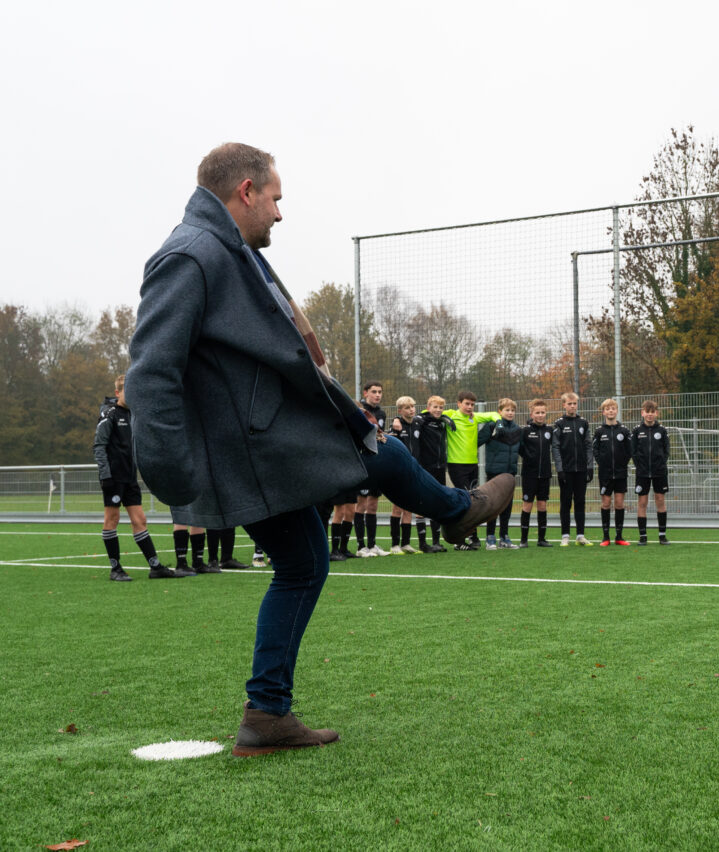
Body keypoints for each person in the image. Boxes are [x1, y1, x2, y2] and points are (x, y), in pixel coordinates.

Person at [126, 142, 512, 756]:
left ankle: (267, 715)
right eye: (275, 199)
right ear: (246, 191)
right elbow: (151, 370)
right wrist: (168, 463)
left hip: (260, 434)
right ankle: (455, 512)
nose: (280, 214)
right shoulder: (191, 255)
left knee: (306, 562)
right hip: (254, 445)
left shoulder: (225, 251)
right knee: (366, 443)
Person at [94, 376, 186, 580]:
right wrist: (105, 475)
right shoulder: (108, 414)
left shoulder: (134, 415)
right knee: (112, 519)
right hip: (113, 477)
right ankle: (115, 568)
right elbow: (99, 446)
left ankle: (155, 567)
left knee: (140, 519)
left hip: (129, 477)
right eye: (127, 390)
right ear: (118, 393)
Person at [442, 391, 502, 550]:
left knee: (473, 502)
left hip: (472, 465)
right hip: (456, 465)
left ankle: (472, 537)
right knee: (464, 500)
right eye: (466, 404)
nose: (469, 407)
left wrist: (499, 424)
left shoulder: (474, 417)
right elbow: (429, 412)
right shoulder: (451, 414)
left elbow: (494, 415)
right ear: (458, 403)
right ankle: (458, 541)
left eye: (472, 404)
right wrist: (444, 417)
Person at [410, 395, 455, 553]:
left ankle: (436, 542)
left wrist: (446, 418)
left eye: (440, 407)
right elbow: (415, 443)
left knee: (437, 502)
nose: (438, 410)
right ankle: (423, 543)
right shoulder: (421, 421)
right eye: (435, 407)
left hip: (439, 468)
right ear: (428, 407)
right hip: (424, 468)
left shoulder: (442, 421)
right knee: (421, 503)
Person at [478, 399, 522, 549]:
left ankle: (504, 537)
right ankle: (490, 537)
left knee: (507, 506)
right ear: (499, 411)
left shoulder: (517, 430)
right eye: (507, 410)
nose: (510, 413)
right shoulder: (491, 426)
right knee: (493, 505)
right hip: (494, 473)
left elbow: (523, 451)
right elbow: (476, 441)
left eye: (512, 410)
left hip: (510, 474)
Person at [552, 391, 593, 545]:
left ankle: (580, 536)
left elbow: (588, 445)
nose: (572, 406)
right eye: (569, 404)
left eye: (574, 403)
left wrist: (589, 467)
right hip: (566, 471)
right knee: (566, 502)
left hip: (581, 470)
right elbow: (555, 448)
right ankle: (565, 536)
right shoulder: (559, 424)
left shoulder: (583, 423)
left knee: (580, 501)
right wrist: (560, 469)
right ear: (564, 405)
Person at [592, 398, 632, 546]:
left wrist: (622, 463)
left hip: (620, 474)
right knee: (606, 503)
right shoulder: (599, 431)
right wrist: (602, 463)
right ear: (603, 412)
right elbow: (594, 450)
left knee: (620, 504)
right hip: (605, 474)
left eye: (613, 408)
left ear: (616, 411)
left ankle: (619, 536)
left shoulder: (624, 431)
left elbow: (630, 450)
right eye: (607, 409)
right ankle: (606, 537)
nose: (610, 411)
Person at [355, 382, 389, 556]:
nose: (377, 395)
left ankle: (372, 544)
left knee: (373, 505)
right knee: (361, 504)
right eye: (374, 392)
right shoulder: (360, 410)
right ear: (366, 393)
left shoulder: (381, 413)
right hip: (364, 463)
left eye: (380, 392)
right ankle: (361, 546)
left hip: (377, 463)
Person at [631, 400, 671, 546]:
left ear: (656, 413)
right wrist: (639, 465)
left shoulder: (662, 430)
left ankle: (662, 536)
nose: (649, 415)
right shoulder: (636, 431)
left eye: (652, 412)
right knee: (642, 502)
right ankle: (643, 536)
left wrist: (661, 463)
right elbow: (633, 451)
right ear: (642, 413)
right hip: (642, 473)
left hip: (659, 472)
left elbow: (666, 450)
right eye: (647, 412)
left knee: (660, 500)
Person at [518, 399, 556, 547]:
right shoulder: (525, 431)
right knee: (527, 505)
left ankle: (541, 539)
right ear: (531, 414)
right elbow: (520, 448)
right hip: (529, 474)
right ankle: (523, 540)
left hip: (545, 474)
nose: (540, 415)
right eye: (537, 412)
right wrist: (528, 457)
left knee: (542, 505)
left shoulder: (549, 431)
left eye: (543, 412)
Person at [387, 396, 418, 554]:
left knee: (409, 508)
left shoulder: (418, 423)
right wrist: (396, 419)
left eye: (412, 407)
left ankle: (406, 543)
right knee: (397, 508)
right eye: (407, 408)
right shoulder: (396, 427)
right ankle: (394, 544)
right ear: (400, 411)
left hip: (413, 470)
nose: (411, 410)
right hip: (398, 471)